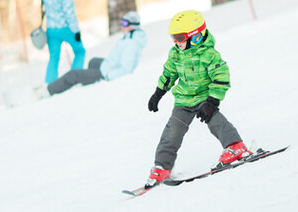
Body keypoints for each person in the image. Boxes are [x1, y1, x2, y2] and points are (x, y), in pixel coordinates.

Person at [143, 10, 250, 187]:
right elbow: (169, 74)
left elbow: (221, 78)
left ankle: (236, 147)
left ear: (196, 37)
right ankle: (162, 167)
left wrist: (212, 101)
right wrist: (158, 93)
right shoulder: (176, 53)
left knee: (214, 120)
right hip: (184, 99)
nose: (175, 42)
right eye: (173, 37)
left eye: (179, 37)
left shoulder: (209, 55)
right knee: (172, 131)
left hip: (204, 98)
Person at [42, 10, 148, 96]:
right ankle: (86, 80)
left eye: (124, 23)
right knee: (93, 61)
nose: (122, 25)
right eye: (122, 22)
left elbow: (126, 68)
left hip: (107, 73)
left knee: (73, 75)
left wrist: (108, 77)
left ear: (132, 26)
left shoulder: (131, 44)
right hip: (109, 66)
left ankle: (48, 90)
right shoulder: (131, 36)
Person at [40, 0, 85, 83]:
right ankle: (75, 79)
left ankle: (50, 83)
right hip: (65, 28)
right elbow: (69, 13)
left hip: (51, 29)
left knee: (54, 58)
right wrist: (76, 31)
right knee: (80, 51)